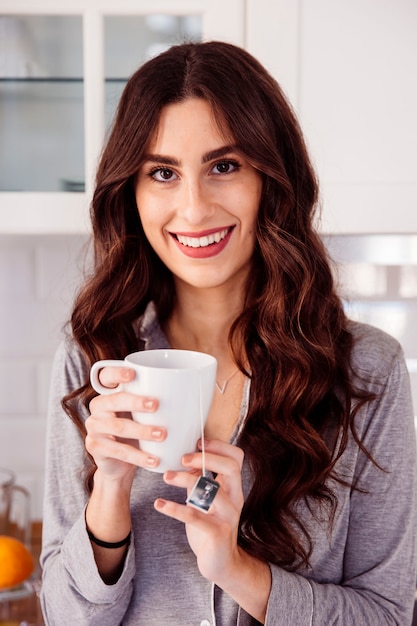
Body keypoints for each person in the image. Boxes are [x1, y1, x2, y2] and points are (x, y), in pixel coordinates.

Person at [40, 40, 417, 625]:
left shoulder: (368, 369)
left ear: (273, 177)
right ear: (131, 194)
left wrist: (237, 570)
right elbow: (65, 617)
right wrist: (109, 494)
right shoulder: (94, 355)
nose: (193, 209)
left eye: (224, 166)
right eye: (162, 173)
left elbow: (388, 615)